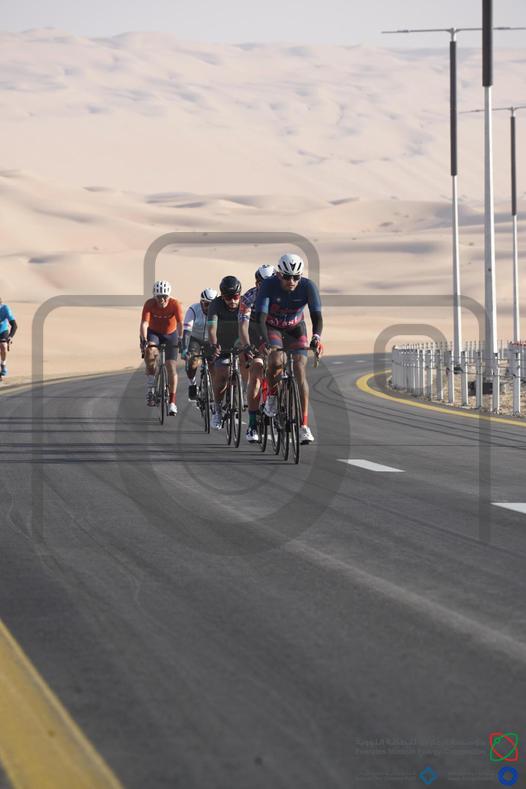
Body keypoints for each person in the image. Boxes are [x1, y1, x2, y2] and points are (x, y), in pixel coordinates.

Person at [254, 253, 323, 444]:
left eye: (296, 277)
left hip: (295, 328)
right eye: (286, 277)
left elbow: (317, 316)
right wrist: (265, 342)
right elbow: (260, 318)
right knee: (276, 361)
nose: (291, 281)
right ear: (279, 274)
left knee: (300, 368)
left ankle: (304, 426)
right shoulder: (269, 285)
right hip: (272, 328)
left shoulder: (308, 286)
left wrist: (316, 338)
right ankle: (272, 396)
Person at [238, 265, 275, 442]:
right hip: (255, 334)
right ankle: (252, 425)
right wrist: (247, 346)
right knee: (256, 371)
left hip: (275, 332)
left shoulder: (283, 294)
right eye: (262, 283)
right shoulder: (248, 298)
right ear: (256, 283)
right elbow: (243, 325)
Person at [140, 280, 183, 416]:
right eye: (159, 297)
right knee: (150, 351)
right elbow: (144, 323)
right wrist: (144, 340)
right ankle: (151, 387)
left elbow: (180, 323)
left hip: (171, 335)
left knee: (171, 366)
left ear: (169, 296)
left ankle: (172, 402)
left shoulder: (175, 304)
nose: (162, 299)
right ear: (155, 296)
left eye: (165, 296)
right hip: (154, 333)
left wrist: (181, 338)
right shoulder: (149, 304)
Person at [207, 275, 242, 430]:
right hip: (221, 342)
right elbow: (211, 329)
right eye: (228, 298)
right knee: (221, 375)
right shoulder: (215, 305)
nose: (233, 301)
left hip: (240, 339)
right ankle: (218, 409)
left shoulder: (245, 304)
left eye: (236, 297)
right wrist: (214, 345)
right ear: (222, 296)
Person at [181, 288, 217, 401]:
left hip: (211, 339)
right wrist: (184, 349)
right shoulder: (193, 310)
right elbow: (187, 332)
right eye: (206, 304)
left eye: (212, 305)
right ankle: (192, 384)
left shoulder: (218, 311)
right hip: (195, 339)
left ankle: (214, 387)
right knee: (192, 362)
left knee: (214, 364)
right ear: (201, 302)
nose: (209, 308)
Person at [0, 298, 17, 379]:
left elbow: (14, 325)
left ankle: (3, 365)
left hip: (3, 330)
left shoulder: (5, 309)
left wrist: (10, 337)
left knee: (3, 346)